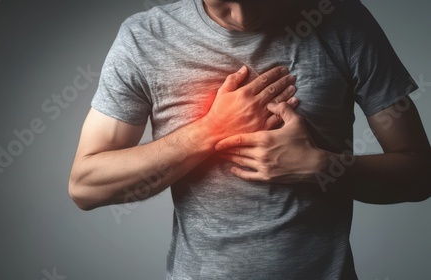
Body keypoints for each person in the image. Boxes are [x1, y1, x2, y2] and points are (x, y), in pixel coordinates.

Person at [68, 0, 431, 279]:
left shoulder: (344, 21)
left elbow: (420, 173)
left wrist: (323, 167)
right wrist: (209, 131)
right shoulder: (144, 37)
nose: (242, 15)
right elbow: (86, 186)